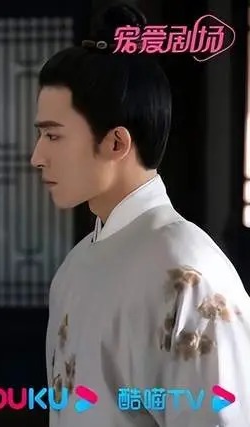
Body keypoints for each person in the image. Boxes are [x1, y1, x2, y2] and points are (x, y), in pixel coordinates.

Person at [32, 3, 250, 427]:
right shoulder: (75, 267)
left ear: (116, 143)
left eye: (54, 137)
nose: (37, 157)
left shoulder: (189, 274)